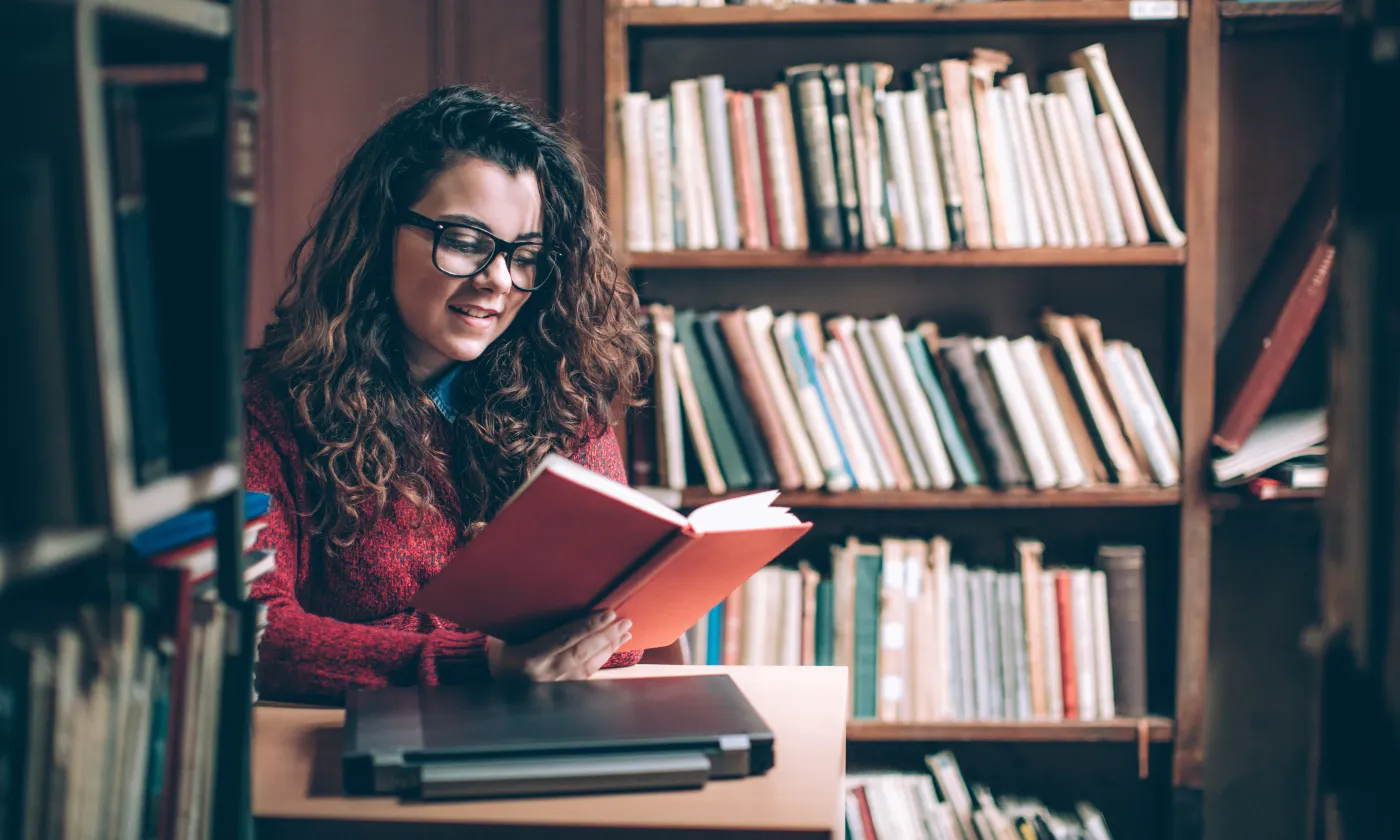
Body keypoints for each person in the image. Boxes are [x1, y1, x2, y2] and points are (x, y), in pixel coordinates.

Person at [243, 85, 653, 705]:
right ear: (378, 233)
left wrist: (376, 643)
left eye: (526, 255)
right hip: (345, 757)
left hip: (539, 741)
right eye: (464, 241)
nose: (497, 280)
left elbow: (620, 630)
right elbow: (260, 637)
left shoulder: (560, 398)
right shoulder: (270, 409)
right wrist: (485, 657)